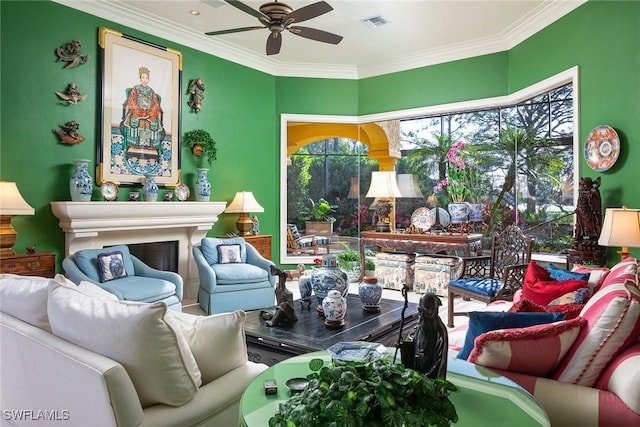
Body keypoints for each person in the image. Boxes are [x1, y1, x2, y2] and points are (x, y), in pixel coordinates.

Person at [120, 66, 164, 158]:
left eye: (146, 78)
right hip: (137, 111)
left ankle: (152, 146)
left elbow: (156, 104)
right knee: (133, 121)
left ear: (148, 79)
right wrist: (138, 111)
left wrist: (149, 112)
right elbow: (131, 101)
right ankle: (132, 145)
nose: (144, 80)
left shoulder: (151, 91)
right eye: (143, 77)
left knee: (154, 124)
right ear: (140, 78)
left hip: (149, 113)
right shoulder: (135, 89)